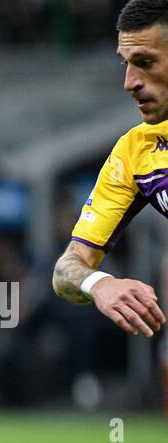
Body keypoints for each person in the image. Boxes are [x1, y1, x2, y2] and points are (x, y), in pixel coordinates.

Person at [51, 0, 167, 345]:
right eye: (126, 64)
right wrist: (99, 283)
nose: (129, 82)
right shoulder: (135, 152)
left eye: (145, 63)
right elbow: (66, 270)